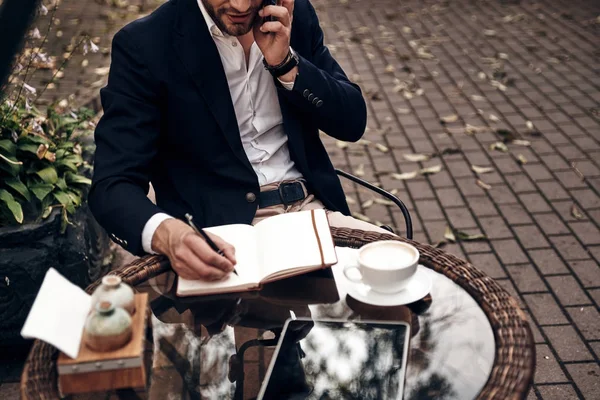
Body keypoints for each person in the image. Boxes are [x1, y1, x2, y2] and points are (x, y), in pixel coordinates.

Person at [89, 0, 393, 283]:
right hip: (220, 235)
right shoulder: (145, 44)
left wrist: (287, 65)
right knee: (261, 337)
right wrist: (167, 233)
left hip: (313, 214)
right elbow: (112, 184)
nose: (241, 5)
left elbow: (352, 122)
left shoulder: (290, 14)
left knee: (405, 284)